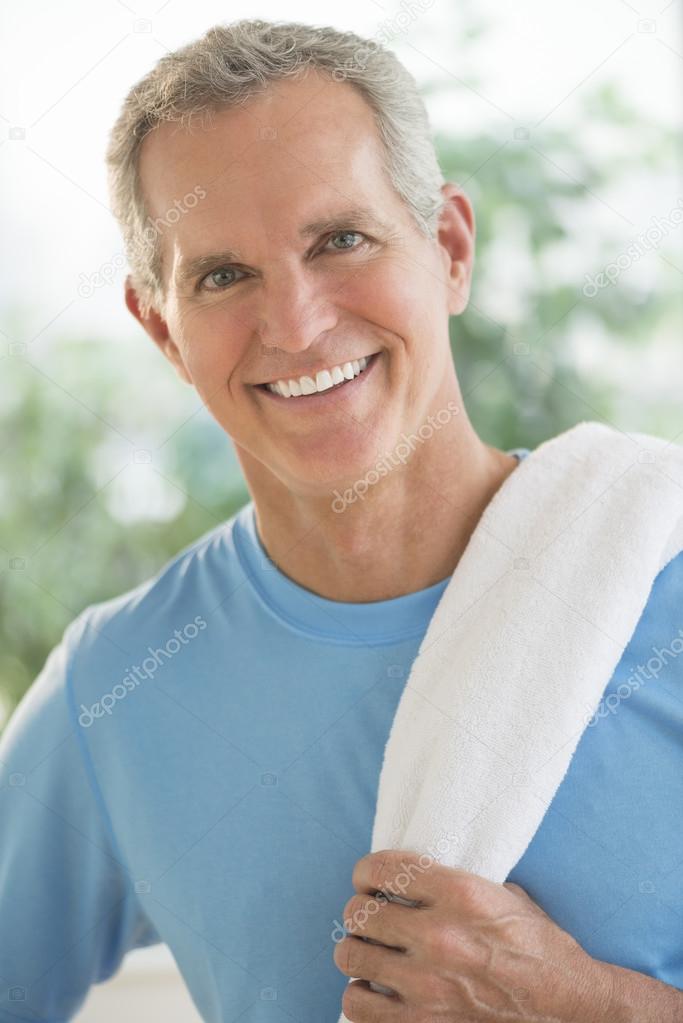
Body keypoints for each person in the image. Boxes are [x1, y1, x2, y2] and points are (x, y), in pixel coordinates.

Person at [1, 19, 682, 1023]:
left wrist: (580, 1005)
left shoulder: (657, 578)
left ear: (448, 248)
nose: (298, 324)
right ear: (161, 329)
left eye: (341, 240)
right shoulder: (116, 691)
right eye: (222, 275)